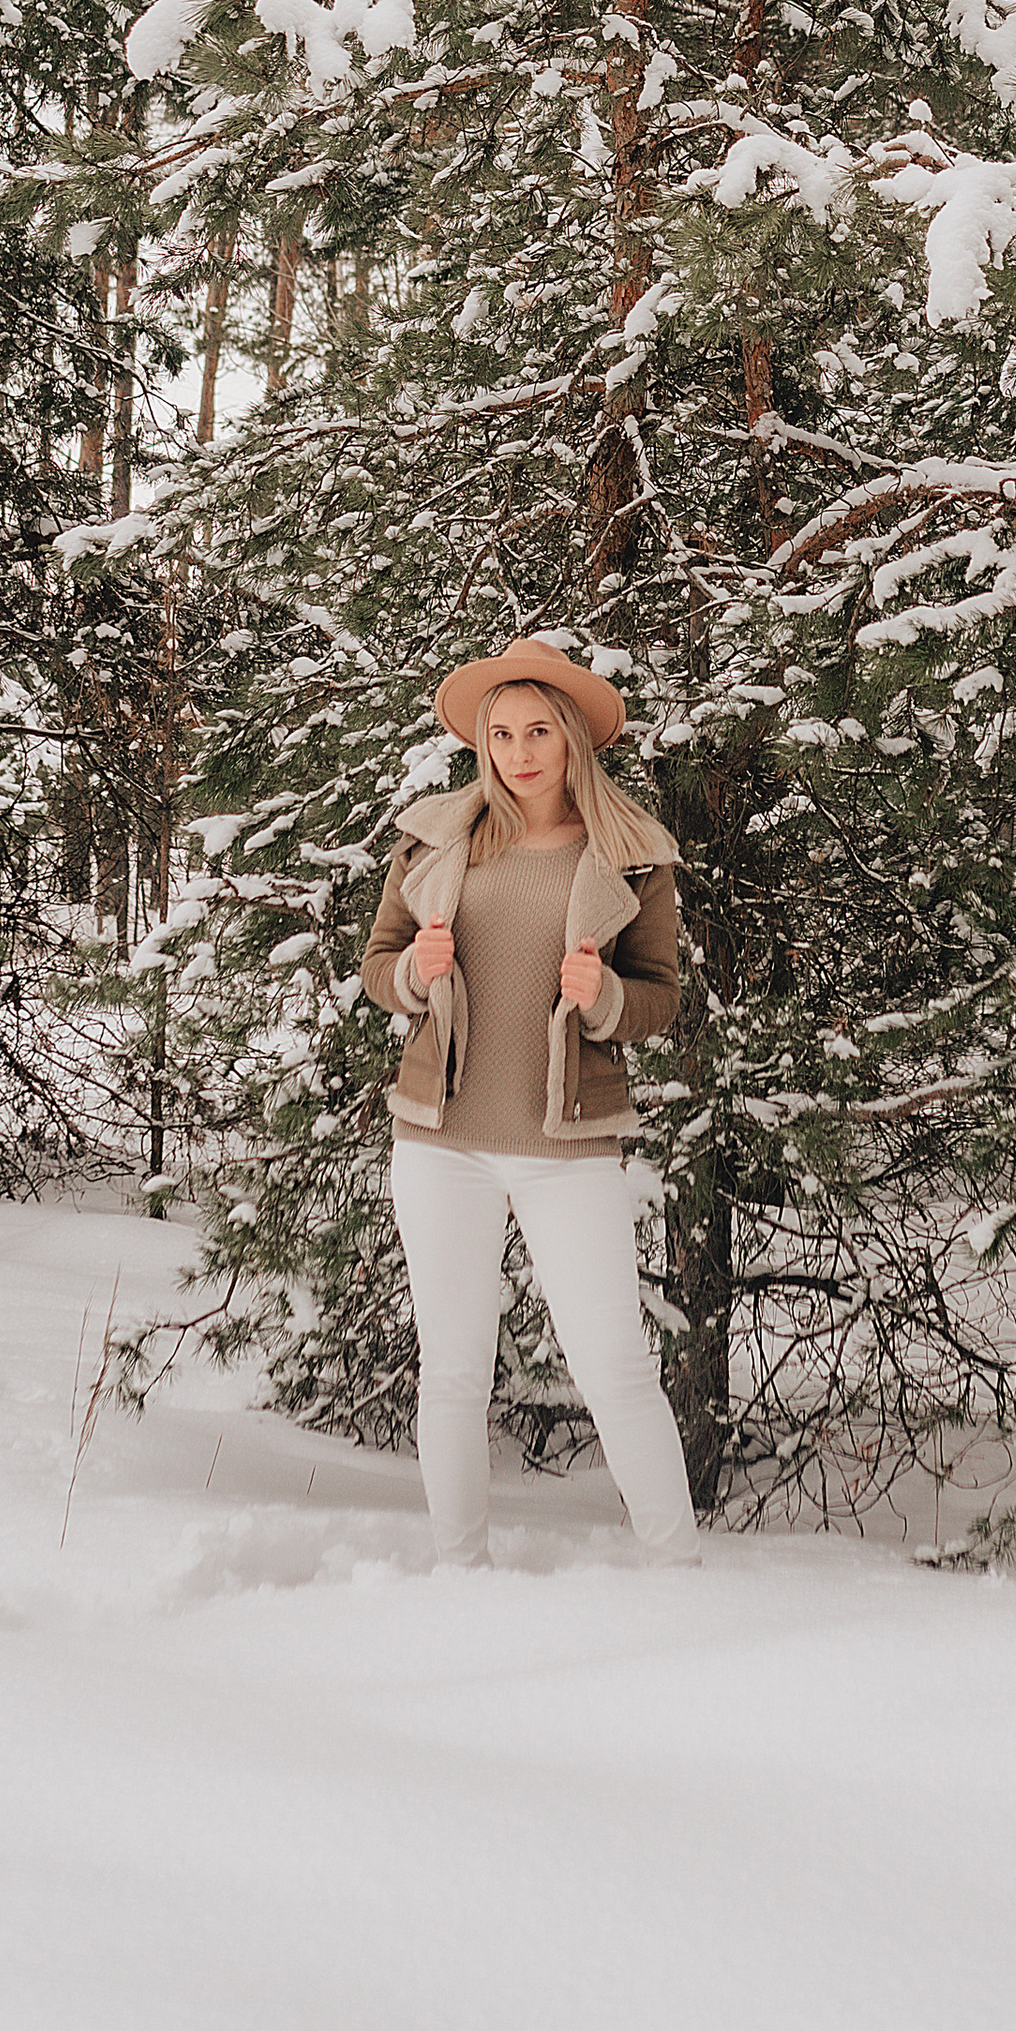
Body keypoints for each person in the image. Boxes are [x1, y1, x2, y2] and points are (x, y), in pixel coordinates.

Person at [361, 634, 699, 1568]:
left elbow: (660, 993)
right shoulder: (436, 838)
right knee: (456, 1373)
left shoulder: (630, 856)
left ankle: (682, 1575)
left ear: (572, 741)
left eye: (538, 731)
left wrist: (608, 1001)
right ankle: (459, 1575)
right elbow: (378, 967)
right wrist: (416, 980)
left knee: (617, 1370)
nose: (517, 752)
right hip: (442, 1140)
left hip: (569, 1146)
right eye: (501, 732)